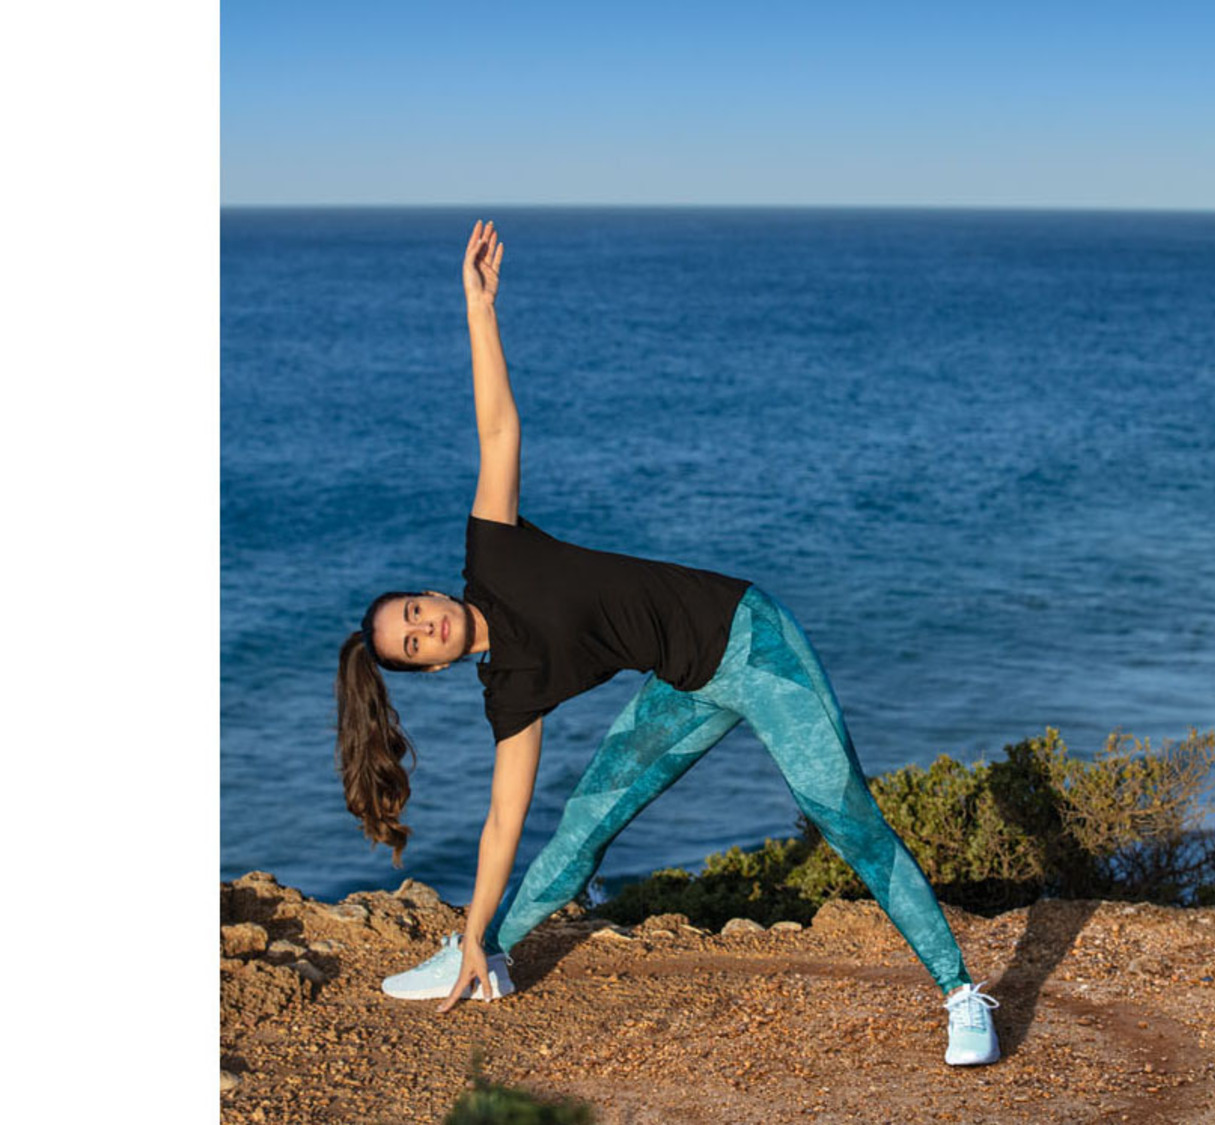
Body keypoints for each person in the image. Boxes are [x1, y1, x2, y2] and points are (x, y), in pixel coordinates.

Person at [333, 220, 1001, 1067]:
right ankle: (479, 953)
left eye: (414, 612)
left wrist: (478, 308)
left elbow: (498, 431)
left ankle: (961, 994)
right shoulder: (512, 688)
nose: (425, 627)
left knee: (846, 817)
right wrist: (471, 924)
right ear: (428, 667)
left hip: (753, 640)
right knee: (580, 827)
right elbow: (504, 819)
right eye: (412, 645)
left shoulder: (491, 552)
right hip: (685, 682)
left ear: (431, 593)